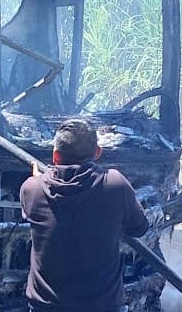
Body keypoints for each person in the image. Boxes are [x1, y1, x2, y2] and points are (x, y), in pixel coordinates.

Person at [20, 119, 148, 312]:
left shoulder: (32, 189)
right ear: (98, 152)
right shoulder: (115, 184)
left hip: (46, 307)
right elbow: (139, 228)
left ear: (55, 156)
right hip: (102, 306)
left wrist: (38, 181)